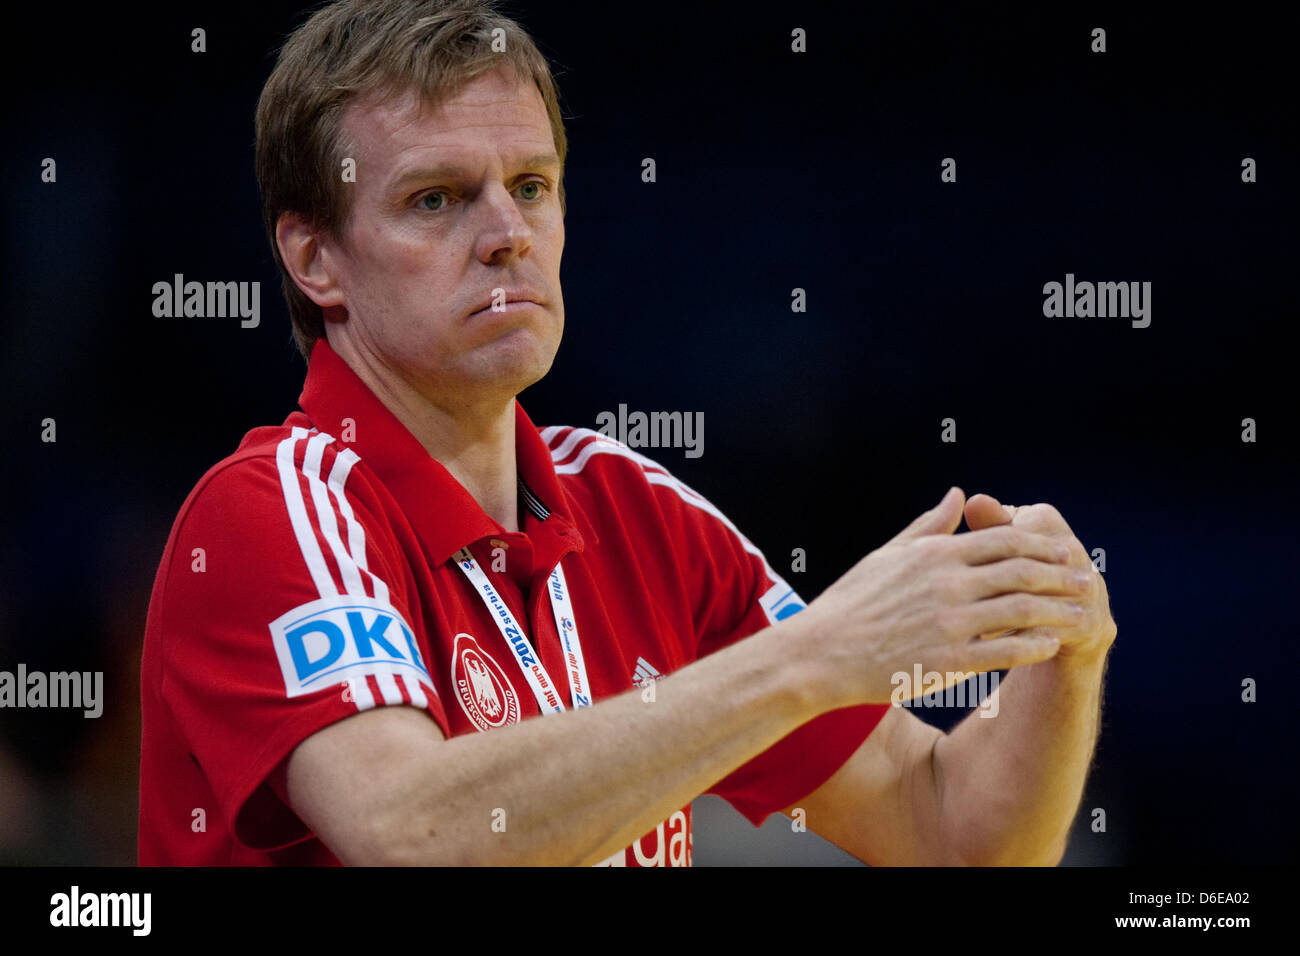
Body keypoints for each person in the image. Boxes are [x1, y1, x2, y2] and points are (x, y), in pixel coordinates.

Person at [138, 0, 1117, 866]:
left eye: (530, 185)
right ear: (316, 258)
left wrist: (1065, 654)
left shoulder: (634, 508)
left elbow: (950, 830)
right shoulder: (275, 509)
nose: (505, 233)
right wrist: (814, 655)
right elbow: (414, 832)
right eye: (434, 198)